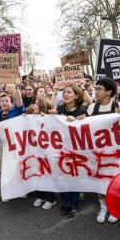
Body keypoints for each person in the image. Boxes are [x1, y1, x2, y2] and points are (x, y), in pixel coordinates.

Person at [84, 78, 120, 224]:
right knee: (99, 181)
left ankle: (115, 207)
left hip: (116, 152)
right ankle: (103, 207)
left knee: (115, 181)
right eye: (96, 89)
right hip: (98, 152)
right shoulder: (92, 108)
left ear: (109, 92)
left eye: (99, 89)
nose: (96, 91)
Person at [49, 84, 88, 218]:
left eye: (69, 92)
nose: (65, 94)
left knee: (74, 178)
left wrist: (78, 120)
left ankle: (74, 205)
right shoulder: (59, 109)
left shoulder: (82, 110)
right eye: (64, 92)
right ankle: (65, 203)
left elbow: (88, 129)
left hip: (76, 151)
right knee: (62, 177)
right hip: (60, 149)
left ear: (76, 96)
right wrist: (50, 115)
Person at [0, 80, 25, 203]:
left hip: (14, 145)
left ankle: (21, 189)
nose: (4, 103)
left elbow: (19, 103)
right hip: (0, 145)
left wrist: (16, 88)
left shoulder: (15, 112)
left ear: (11, 102)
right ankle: (6, 191)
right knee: (2, 169)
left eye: (7, 101)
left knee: (16, 166)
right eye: (2, 101)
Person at [28, 98, 58, 209]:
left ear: (42, 106)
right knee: (34, 174)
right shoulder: (30, 118)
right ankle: (40, 196)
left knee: (45, 175)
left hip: (45, 154)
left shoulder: (49, 119)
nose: (34, 105)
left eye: (36, 104)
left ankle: (51, 198)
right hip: (33, 152)